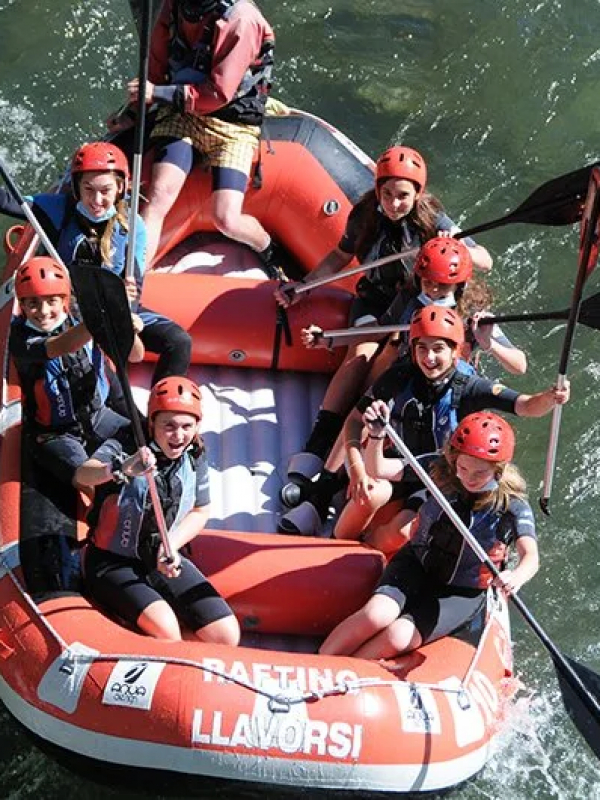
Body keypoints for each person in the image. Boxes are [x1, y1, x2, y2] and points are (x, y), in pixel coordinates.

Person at [275, 146, 493, 494]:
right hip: (375, 301)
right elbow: (340, 256)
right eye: (387, 194)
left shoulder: (433, 219)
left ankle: (352, 445)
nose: (393, 203)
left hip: (418, 307)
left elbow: (485, 260)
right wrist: (304, 287)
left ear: (417, 194)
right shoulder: (364, 214)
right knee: (360, 353)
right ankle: (320, 439)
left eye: (402, 196)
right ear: (377, 190)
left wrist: (458, 244)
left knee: (389, 360)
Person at [279, 241, 526, 536]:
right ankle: (323, 491)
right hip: (408, 377)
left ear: (459, 286)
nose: (433, 291)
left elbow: (519, 365)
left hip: (450, 390)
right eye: (428, 283)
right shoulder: (411, 299)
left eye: (442, 287)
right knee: (362, 416)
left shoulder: (475, 315)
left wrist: (490, 344)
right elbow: (379, 328)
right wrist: (329, 340)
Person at [332, 305, 568, 553]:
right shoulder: (399, 375)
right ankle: (336, 545)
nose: (429, 358)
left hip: (441, 473)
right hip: (399, 464)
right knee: (368, 494)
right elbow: (355, 421)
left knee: (403, 531)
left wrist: (551, 397)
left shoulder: (469, 387)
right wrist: (357, 469)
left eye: (438, 349)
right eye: (421, 348)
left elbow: (526, 406)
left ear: (455, 351)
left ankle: (366, 553)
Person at [319, 412, 539, 658]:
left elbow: (530, 555)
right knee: (375, 615)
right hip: (416, 563)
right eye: (463, 467)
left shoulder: (512, 505)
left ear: (498, 470)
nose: (467, 478)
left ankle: (347, 673)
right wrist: (377, 435)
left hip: (461, 592)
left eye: (479, 473)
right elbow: (378, 468)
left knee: (398, 636)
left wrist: (517, 575)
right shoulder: (440, 468)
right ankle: (321, 664)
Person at [0, 141, 192, 386]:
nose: (96, 199)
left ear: (120, 188)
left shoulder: (133, 227)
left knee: (179, 341)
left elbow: (134, 288)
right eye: (88, 189)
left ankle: (164, 410)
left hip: (112, 309)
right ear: (77, 187)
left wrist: (126, 314)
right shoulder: (59, 209)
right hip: (66, 311)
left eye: (106, 190)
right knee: (97, 378)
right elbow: (7, 201)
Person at [113, 0, 280, 276]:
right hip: (183, 114)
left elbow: (217, 94)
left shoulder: (241, 19)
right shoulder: (173, 7)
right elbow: (155, 68)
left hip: (233, 125)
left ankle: (268, 248)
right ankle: (133, 281)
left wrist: (157, 94)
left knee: (226, 217)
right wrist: (134, 111)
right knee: (159, 195)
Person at [75, 375, 240, 644]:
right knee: (167, 631)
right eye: (169, 426)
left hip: (160, 556)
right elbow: (83, 475)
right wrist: (120, 468)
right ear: (152, 422)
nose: (178, 436)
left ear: (197, 424)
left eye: (187, 426)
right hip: (111, 561)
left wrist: (170, 546)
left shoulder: (195, 452)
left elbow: (200, 510)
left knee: (226, 635)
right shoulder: (127, 442)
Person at [9, 256, 143, 489]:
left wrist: (125, 323)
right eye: (32, 303)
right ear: (22, 305)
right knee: (82, 475)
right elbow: (61, 346)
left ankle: (107, 459)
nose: (43, 312)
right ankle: (112, 468)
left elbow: (135, 356)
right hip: (55, 432)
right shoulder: (20, 338)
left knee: (141, 434)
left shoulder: (79, 315)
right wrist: (102, 315)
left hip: (96, 415)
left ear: (64, 300)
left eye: (52, 301)